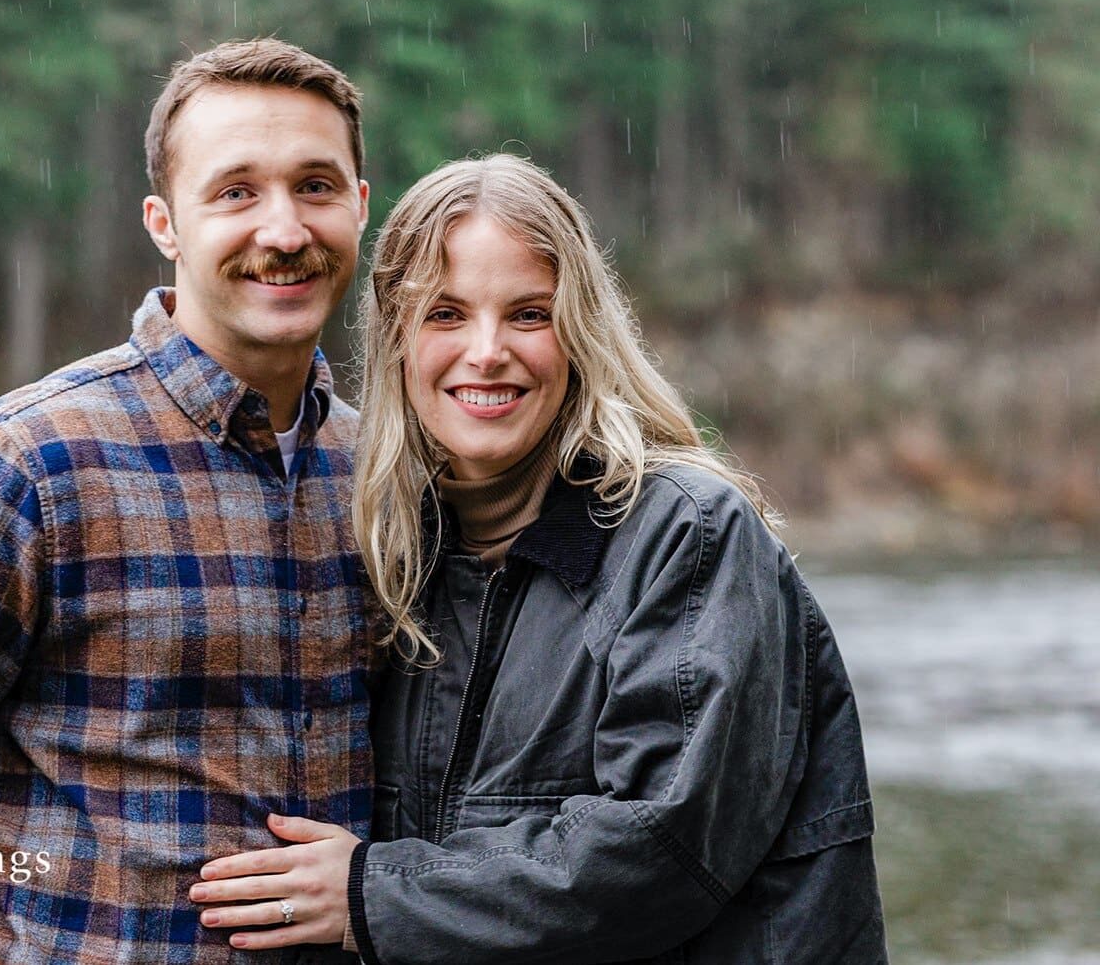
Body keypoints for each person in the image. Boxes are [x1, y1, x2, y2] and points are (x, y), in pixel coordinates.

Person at [188, 154, 888, 962]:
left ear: (581, 331)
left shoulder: (685, 531)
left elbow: (661, 849)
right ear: (397, 340)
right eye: (446, 314)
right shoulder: (399, 547)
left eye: (528, 314)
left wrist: (372, 894)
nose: (486, 352)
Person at [0, 38, 374, 964]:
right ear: (165, 222)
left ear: (358, 206)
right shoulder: (28, 463)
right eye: (235, 192)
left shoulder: (382, 470)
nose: (284, 230)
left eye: (315, 186)